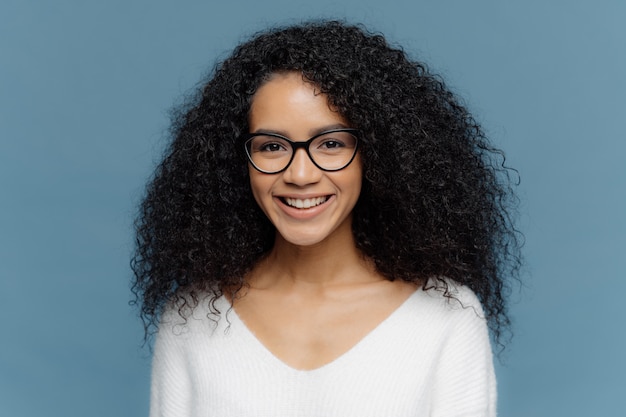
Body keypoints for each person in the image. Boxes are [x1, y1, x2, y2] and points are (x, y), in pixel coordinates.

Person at [131, 20, 522, 417]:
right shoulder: (192, 317)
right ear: (238, 162)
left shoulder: (448, 317)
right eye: (271, 146)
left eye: (331, 143)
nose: (300, 175)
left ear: (378, 154)